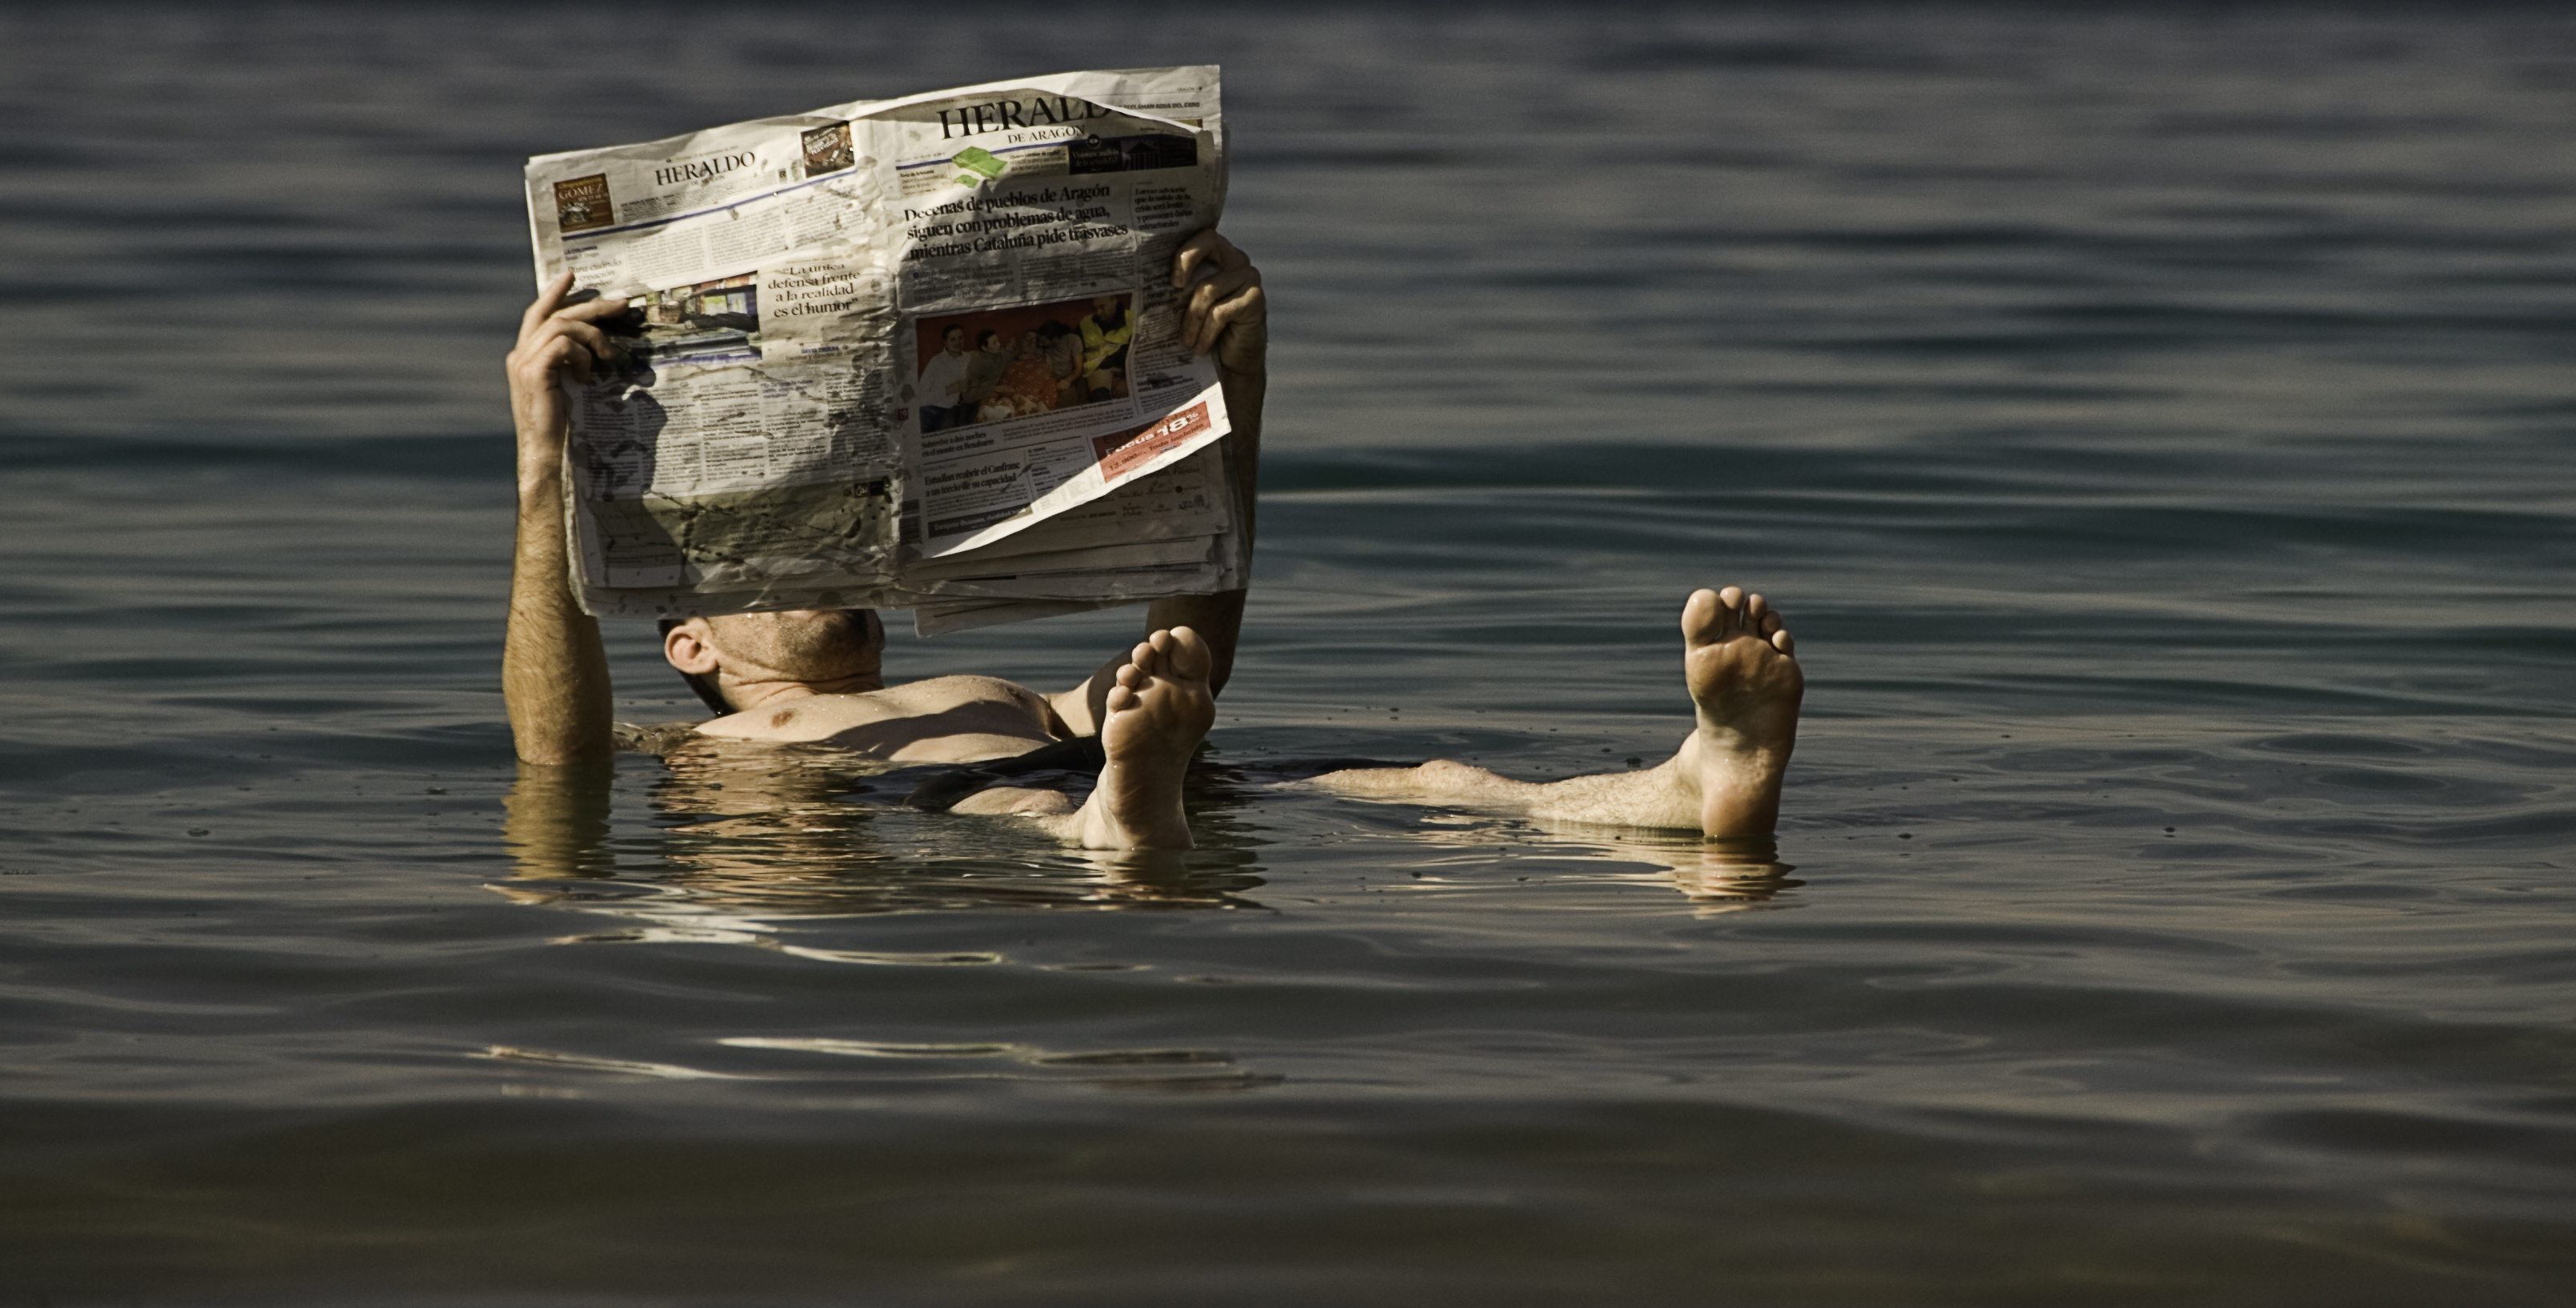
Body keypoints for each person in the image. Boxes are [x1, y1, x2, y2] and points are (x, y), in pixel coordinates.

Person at [505, 230, 1806, 850]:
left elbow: (1185, 646)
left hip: (1103, 758)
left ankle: (1688, 783)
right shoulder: (686, 740)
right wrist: (543, 457)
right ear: (686, 636)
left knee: (1427, 776)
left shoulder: (993, 687)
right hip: (957, 808)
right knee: (1014, 795)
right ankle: (1119, 816)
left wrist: (1230, 388)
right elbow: (554, 758)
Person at [914, 322, 975, 434]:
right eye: (953, 339)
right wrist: (948, 390)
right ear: (945, 343)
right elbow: (919, 397)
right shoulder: (936, 361)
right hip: (929, 408)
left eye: (960, 338)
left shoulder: (969, 357)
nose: (958, 342)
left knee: (949, 435)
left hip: (952, 409)